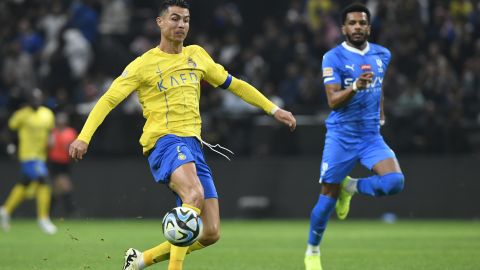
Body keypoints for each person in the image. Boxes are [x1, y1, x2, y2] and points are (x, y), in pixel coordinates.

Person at [68, 1, 296, 270]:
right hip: (165, 141)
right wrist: (84, 136)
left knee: (211, 233)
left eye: (186, 20)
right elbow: (108, 100)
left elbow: (235, 85)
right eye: (174, 19)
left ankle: (141, 260)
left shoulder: (197, 55)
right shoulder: (144, 64)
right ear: (160, 22)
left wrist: (273, 109)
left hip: (193, 145)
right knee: (194, 196)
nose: (181, 25)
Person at [304, 4, 405, 270]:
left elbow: (379, 86)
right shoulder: (333, 57)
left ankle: (351, 187)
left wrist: (381, 113)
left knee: (395, 182)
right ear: (343, 28)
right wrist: (355, 86)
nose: (357, 27)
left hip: (371, 135)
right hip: (341, 135)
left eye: (362, 23)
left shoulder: (383, 54)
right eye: (352, 23)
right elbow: (332, 101)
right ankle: (312, 250)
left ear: (369, 28)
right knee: (326, 197)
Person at [0, 88, 57, 235]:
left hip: (41, 156)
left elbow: (50, 131)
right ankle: (43, 218)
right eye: (33, 99)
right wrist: (10, 145)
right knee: (44, 181)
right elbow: (7, 130)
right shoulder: (22, 114)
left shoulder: (47, 114)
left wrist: (51, 140)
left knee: (24, 184)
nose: (36, 102)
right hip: (28, 155)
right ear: (28, 101)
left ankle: (5, 210)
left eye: (38, 99)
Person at [48, 111, 78, 217]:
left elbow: (74, 146)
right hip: (55, 162)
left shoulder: (70, 132)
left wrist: (69, 148)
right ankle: (72, 211)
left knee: (57, 190)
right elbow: (49, 146)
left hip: (65, 162)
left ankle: (48, 213)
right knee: (65, 186)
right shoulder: (53, 132)